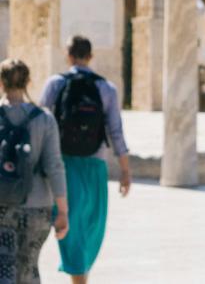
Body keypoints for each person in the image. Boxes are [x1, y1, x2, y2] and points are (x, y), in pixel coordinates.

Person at [40, 36, 132, 284]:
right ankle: (80, 280)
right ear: (91, 57)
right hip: (95, 166)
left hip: (63, 165)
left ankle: (78, 278)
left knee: (73, 229)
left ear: (68, 55)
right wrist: (125, 171)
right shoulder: (107, 88)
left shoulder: (55, 84)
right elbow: (116, 133)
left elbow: (41, 126)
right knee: (91, 228)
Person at [0, 59, 69, 284]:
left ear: (1, 82)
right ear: (29, 81)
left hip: (3, 205)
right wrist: (62, 211)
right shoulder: (44, 119)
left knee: (4, 268)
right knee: (29, 267)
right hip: (37, 206)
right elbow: (54, 166)